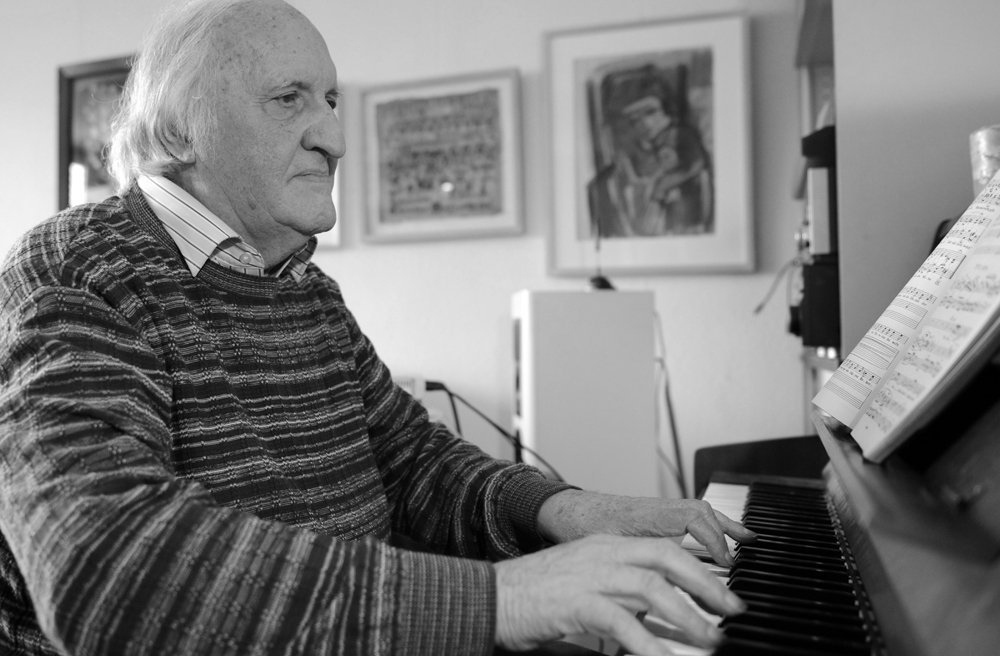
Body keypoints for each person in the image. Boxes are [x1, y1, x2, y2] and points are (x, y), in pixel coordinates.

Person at [0, 1, 755, 655]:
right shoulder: (78, 269)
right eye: (290, 98)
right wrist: (503, 601)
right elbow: (105, 567)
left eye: (331, 99)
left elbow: (409, 459)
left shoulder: (305, 286)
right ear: (181, 127)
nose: (335, 137)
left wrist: (564, 511)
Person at [588, 65, 713, 239]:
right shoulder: (606, 184)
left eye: (651, 112)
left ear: (668, 113)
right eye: (633, 120)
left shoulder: (691, 163)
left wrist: (662, 188)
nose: (645, 125)